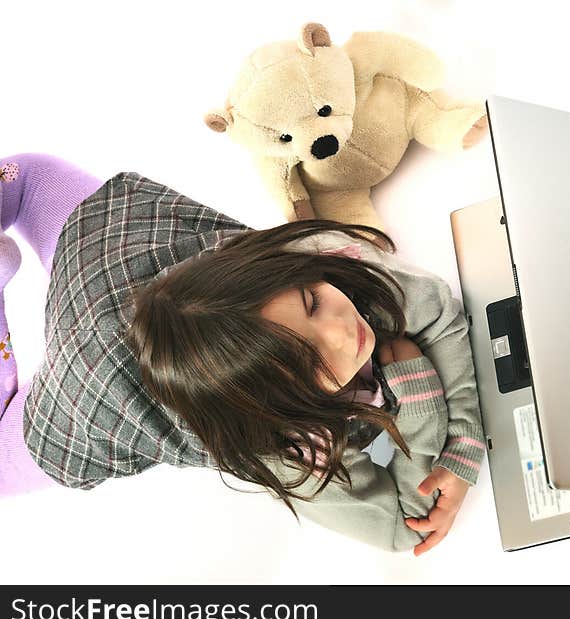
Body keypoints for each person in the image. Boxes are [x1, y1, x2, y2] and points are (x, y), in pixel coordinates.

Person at [0, 154, 486, 556]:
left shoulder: (316, 258)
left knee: (23, 180)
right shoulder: (286, 447)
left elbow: (437, 309)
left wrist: (463, 434)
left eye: (312, 304)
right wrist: (420, 398)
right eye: (311, 362)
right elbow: (404, 526)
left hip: (114, 245)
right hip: (93, 390)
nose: (343, 332)